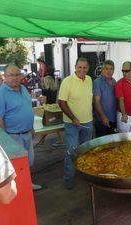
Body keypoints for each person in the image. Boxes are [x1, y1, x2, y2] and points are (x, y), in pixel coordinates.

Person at [0, 64, 42, 191]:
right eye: (11, 75)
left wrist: (31, 127)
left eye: (17, 74)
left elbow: (27, 108)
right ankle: (21, 190)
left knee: (29, 162)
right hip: (13, 135)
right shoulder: (1, 93)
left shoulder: (23, 88)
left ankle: (27, 184)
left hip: (27, 132)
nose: (15, 78)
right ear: (4, 77)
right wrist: (6, 139)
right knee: (18, 165)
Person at [58, 57, 93, 190]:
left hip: (88, 122)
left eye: (84, 67)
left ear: (88, 68)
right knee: (72, 152)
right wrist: (73, 118)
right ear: (75, 67)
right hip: (72, 124)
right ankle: (69, 179)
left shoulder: (89, 79)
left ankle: (85, 176)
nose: (82, 70)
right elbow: (61, 102)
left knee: (87, 151)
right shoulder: (67, 81)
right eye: (80, 67)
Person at [93, 60, 117, 137]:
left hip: (113, 118)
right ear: (102, 70)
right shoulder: (97, 82)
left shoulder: (114, 81)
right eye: (106, 68)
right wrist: (103, 117)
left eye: (111, 69)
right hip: (102, 120)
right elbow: (96, 102)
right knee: (102, 145)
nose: (109, 71)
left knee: (113, 144)